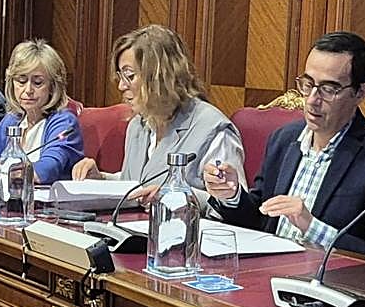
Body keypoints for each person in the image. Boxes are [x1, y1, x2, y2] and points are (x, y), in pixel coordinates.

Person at [203, 31, 365, 253]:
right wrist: (232, 195)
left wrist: (311, 226)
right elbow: (260, 220)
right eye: (308, 84)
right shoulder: (283, 140)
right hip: (265, 271)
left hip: (323, 281)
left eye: (329, 89)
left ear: (361, 92)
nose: (312, 100)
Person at [71, 25, 244, 207]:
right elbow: (138, 185)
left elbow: (235, 205)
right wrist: (100, 179)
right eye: (120, 76)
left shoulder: (213, 128)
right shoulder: (139, 124)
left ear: (160, 76)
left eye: (129, 76)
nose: (121, 86)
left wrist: (175, 197)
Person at [0, 39, 84, 184]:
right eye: (21, 81)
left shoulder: (64, 123)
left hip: (50, 205)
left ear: (53, 87)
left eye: (37, 82)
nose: (28, 90)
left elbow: (41, 173)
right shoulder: (14, 120)